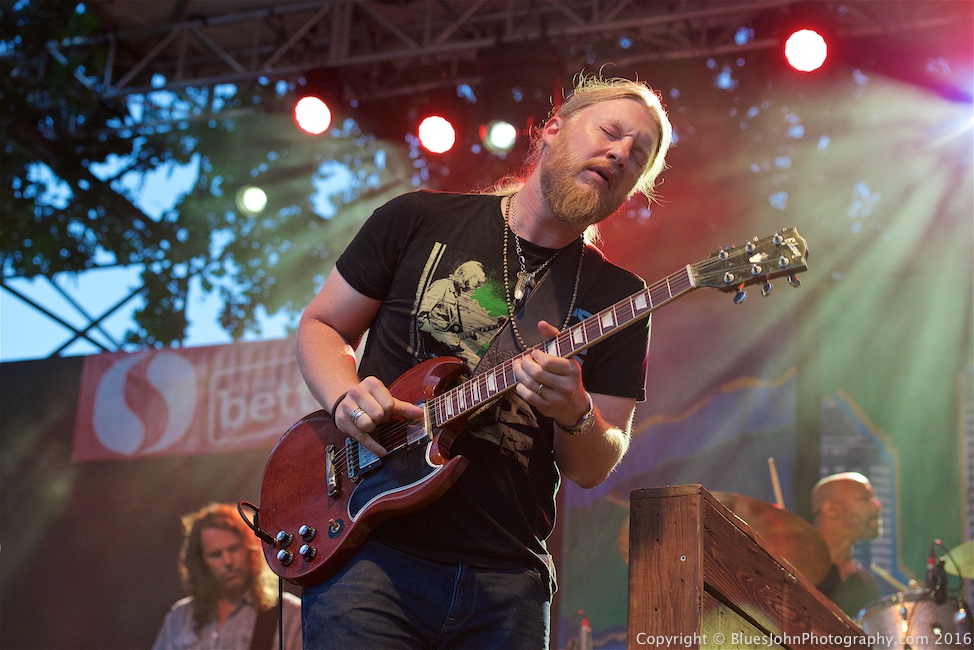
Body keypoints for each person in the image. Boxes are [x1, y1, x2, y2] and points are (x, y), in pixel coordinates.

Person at [295, 72, 673, 649]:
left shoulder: (620, 299)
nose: (621, 152)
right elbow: (322, 324)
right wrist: (345, 396)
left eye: (638, 155)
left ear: (634, 187)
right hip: (371, 553)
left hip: (506, 582)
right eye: (611, 132)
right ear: (553, 129)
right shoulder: (418, 219)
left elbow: (596, 462)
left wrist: (574, 410)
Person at [152, 503, 302, 650]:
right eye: (216, 555)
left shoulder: (289, 613)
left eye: (233, 549)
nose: (228, 561)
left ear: (251, 550)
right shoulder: (179, 617)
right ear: (201, 563)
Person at [811, 472, 883, 618]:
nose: (877, 505)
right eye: (865, 498)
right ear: (831, 510)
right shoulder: (796, 567)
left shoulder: (865, 583)